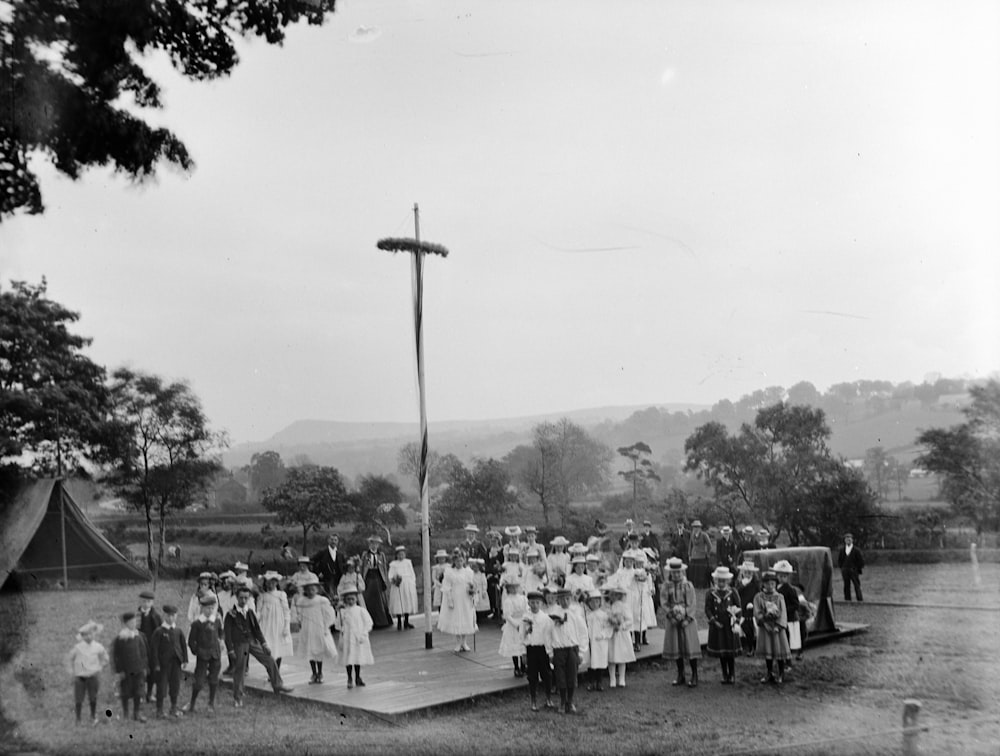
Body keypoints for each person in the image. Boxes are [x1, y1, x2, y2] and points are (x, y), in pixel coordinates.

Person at [225, 585, 293, 707]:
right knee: (240, 669)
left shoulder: (250, 612)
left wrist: (264, 643)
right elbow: (227, 634)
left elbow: (257, 630)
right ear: (236, 597)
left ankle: (278, 685)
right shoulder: (231, 614)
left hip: (252, 641)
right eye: (241, 598)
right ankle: (238, 697)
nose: (243, 601)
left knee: (270, 659)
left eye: (246, 598)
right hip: (240, 644)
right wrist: (230, 650)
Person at [661, 557, 701, 687]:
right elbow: (664, 602)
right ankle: (680, 674)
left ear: (682, 572)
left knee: (689, 646)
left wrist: (687, 617)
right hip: (673, 620)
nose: (676, 574)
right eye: (674, 572)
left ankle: (694, 674)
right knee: (676, 646)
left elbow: (692, 603)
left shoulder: (687, 585)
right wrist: (671, 615)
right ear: (670, 573)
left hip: (686, 620)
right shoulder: (667, 586)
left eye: (679, 572)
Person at [294, 578, 338, 684]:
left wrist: (326, 626)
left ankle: (320, 672)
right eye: (308, 589)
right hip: (307, 628)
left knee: (318, 650)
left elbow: (329, 614)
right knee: (310, 650)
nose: (310, 591)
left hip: (318, 628)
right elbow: (299, 614)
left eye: (313, 589)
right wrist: (300, 622)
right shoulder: (302, 601)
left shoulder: (322, 601)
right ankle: (314, 673)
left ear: (317, 589)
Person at [185, 594, 224, 715]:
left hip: (215, 654)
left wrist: (221, 640)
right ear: (202, 608)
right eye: (207, 608)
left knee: (213, 680)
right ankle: (192, 702)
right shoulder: (197, 623)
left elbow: (221, 632)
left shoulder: (216, 620)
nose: (210, 610)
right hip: (203, 655)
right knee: (199, 681)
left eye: (212, 608)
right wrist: (197, 651)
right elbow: (191, 641)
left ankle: (211, 703)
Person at [549, 589, 586, 714]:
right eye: (561, 599)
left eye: (567, 599)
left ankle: (570, 702)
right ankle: (562, 701)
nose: (564, 602)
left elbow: (583, 634)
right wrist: (550, 653)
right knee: (561, 677)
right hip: (559, 650)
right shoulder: (553, 615)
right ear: (557, 600)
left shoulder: (576, 615)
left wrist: (581, 652)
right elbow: (547, 635)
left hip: (572, 649)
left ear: (571, 599)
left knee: (572, 676)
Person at [66, 620, 108, 725]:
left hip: (93, 676)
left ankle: (93, 716)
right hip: (80, 677)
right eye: (86, 635)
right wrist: (71, 670)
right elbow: (69, 658)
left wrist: (100, 666)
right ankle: (78, 718)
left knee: (93, 697)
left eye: (91, 634)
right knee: (79, 698)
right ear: (82, 636)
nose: (89, 637)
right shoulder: (78, 648)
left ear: (94, 634)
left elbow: (105, 658)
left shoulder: (98, 647)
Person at [705, 567, 741, 685]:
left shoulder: (732, 592)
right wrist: (713, 621)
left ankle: (732, 673)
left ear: (728, 581)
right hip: (718, 625)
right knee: (721, 651)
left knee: (730, 650)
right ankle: (724, 673)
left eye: (723, 581)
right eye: (719, 580)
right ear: (715, 580)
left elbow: (738, 608)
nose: (721, 583)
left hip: (729, 626)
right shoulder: (710, 593)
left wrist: (736, 621)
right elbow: (708, 608)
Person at [754, 570, 791, 684]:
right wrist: (763, 621)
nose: (770, 586)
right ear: (763, 584)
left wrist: (779, 626)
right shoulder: (759, 597)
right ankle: (769, 672)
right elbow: (757, 611)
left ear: (775, 584)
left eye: (772, 584)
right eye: (767, 584)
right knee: (768, 651)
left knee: (779, 650)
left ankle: (781, 673)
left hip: (776, 629)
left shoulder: (779, 597)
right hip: (765, 628)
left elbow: (783, 612)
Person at [149, 605, 187, 719]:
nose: (171, 618)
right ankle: (159, 710)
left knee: (175, 685)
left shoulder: (178, 631)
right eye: (168, 616)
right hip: (163, 665)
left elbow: (183, 646)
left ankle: (173, 708)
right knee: (162, 686)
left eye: (173, 616)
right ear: (164, 616)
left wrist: (184, 659)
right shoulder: (159, 631)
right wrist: (155, 664)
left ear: (176, 616)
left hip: (176, 663)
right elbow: (154, 649)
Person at [520, 590, 555, 712]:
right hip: (531, 649)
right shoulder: (525, 618)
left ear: (541, 604)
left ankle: (548, 698)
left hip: (543, 649)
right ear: (528, 603)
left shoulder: (546, 618)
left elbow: (549, 636)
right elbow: (522, 636)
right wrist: (523, 652)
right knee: (532, 676)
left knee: (547, 675)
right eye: (532, 602)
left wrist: (550, 653)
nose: (534, 605)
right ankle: (533, 700)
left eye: (537, 602)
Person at [438, 549, 478, 652]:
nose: (459, 563)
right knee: (456, 618)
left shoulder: (468, 572)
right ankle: (458, 642)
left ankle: (464, 642)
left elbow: (471, 584)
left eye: (461, 561)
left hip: (465, 598)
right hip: (455, 597)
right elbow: (446, 587)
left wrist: (472, 591)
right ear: (454, 561)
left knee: (465, 617)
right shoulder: (450, 572)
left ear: (464, 561)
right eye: (457, 561)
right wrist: (449, 599)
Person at [112, 611, 148, 722]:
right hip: (126, 671)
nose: (134, 624)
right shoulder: (120, 639)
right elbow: (116, 656)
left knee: (138, 692)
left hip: (138, 670)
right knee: (126, 692)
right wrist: (119, 671)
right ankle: (126, 713)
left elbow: (143, 652)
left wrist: (144, 667)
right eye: (131, 622)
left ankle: (136, 713)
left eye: (135, 621)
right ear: (125, 624)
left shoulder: (139, 636)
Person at [339, 585, 374, 689]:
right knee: (348, 658)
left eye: (352, 599)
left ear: (356, 599)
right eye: (348, 599)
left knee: (357, 658)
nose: (350, 601)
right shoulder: (343, 612)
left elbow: (368, 622)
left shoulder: (361, 610)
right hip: (347, 638)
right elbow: (338, 625)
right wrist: (339, 613)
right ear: (345, 600)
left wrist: (364, 633)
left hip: (357, 637)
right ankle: (349, 677)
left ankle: (358, 677)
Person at [257, 571, 294, 669]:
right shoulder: (263, 596)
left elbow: (286, 611)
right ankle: (271, 669)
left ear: (277, 583)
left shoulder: (281, 595)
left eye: (273, 582)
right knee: (268, 646)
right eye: (268, 582)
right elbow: (259, 611)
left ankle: (277, 669)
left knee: (278, 646)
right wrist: (256, 622)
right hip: (266, 624)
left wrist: (286, 626)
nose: (271, 584)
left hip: (278, 623)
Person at [605, 584, 636, 688]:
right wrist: (611, 623)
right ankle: (612, 678)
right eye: (613, 595)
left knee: (622, 656)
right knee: (611, 656)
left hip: (621, 634)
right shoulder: (609, 607)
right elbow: (605, 619)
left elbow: (630, 620)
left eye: (618, 595)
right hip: (612, 633)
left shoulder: (624, 606)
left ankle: (622, 678)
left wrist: (621, 625)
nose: (615, 598)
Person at [773, 560, 802, 667]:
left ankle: (788, 662)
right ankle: (781, 660)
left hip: (789, 619)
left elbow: (796, 605)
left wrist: (784, 610)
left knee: (788, 641)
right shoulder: (775, 588)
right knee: (780, 640)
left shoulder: (790, 590)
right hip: (779, 618)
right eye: (780, 576)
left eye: (784, 576)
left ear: (788, 577)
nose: (782, 578)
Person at [360, 535, 392, 629]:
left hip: (378, 577)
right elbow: (362, 567)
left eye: (376, 544)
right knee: (369, 599)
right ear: (369, 544)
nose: (374, 546)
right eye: (372, 543)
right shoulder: (365, 554)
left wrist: (385, 580)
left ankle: (381, 621)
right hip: (369, 577)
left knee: (380, 599)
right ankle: (370, 622)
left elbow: (384, 568)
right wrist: (362, 579)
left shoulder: (381, 555)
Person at [137, 590, 162, 703]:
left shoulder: (155, 616)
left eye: (148, 601)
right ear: (140, 601)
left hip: (152, 648)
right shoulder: (136, 615)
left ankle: (150, 693)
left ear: (152, 603)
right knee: (140, 670)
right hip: (139, 647)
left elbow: (159, 631)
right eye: (144, 601)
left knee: (152, 671)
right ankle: (140, 694)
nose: (146, 604)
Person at [498, 579, 527, 677]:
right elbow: (507, 615)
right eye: (512, 587)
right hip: (513, 625)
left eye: (516, 587)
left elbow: (526, 610)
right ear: (508, 589)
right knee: (514, 646)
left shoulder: (523, 598)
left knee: (523, 646)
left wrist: (525, 621)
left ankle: (523, 666)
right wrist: (516, 624)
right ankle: (516, 667)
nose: (514, 589)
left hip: (522, 622)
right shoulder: (508, 600)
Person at [584, 589, 610, 692]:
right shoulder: (587, 615)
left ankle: (599, 682)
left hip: (600, 641)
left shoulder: (604, 615)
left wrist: (603, 635)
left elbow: (608, 628)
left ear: (600, 602)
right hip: (590, 641)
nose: (594, 604)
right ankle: (591, 682)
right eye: (591, 602)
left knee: (600, 662)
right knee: (591, 663)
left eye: (596, 602)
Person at [388, 544, 418, 630]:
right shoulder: (393, 564)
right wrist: (394, 580)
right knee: (399, 602)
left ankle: (406, 621)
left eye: (402, 554)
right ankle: (399, 621)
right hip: (398, 584)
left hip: (407, 584)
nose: (401, 556)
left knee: (407, 601)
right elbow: (390, 575)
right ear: (396, 555)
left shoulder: (408, 562)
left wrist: (412, 582)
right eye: (399, 554)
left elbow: (412, 573)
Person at [735, 560, 761, 656]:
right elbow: (736, 593)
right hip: (742, 608)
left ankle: (752, 648)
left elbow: (758, 595)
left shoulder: (755, 584)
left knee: (751, 628)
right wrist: (742, 585)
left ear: (753, 573)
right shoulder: (739, 583)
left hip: (751, 608)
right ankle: (747, 646)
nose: (747, 574)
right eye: (745, 572)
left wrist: (754, 604)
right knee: (743, 626)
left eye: (749, 572)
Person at [312, 533, 348, 600]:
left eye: (335, 540)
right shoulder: (322, 552)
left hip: (338, 578)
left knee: (339, 594)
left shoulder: (340, 554)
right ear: (328, 540)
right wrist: (318, 572)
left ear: (337, 542)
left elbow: (344, 565)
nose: (333, 542)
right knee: (329, 596)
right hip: (327, 578)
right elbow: (313, 561)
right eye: (332, 539)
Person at [837, 533, 865, 601]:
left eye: (849, 539)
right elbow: (839, 560)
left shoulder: (856, 550)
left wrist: (857, 569)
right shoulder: (842, 550)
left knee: (857, 585)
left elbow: (861, 561)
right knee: (846, 586)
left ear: (852, 540)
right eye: (846, 539)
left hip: (854, 571)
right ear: (844, 540)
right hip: (845, 571)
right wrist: (842, 568)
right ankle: (847, 600)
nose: (848, 540)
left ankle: (859, 599)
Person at [687, 520, 713, 589]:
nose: (695, 529)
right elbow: (690, 545)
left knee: (701, 573)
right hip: (693, 556)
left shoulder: (704, 535)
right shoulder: (692, 535)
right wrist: (689, 555)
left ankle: (701, 585)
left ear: (700, 528)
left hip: (701, 557)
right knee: (693, 572)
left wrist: (707, 553)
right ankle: (694, 585)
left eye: (697, 527)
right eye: (694, 527)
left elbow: (709, 545)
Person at [469, 558, 491, 625]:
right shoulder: (471, 574)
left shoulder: (482, 575)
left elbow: (484, 583)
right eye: (474, 567)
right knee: (473, 604)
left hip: (480, 590)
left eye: (477, 567)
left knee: (480, 604)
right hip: (474, 590)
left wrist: (484, 590)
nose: (475, 569)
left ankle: (480, 617)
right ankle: (474, 617)